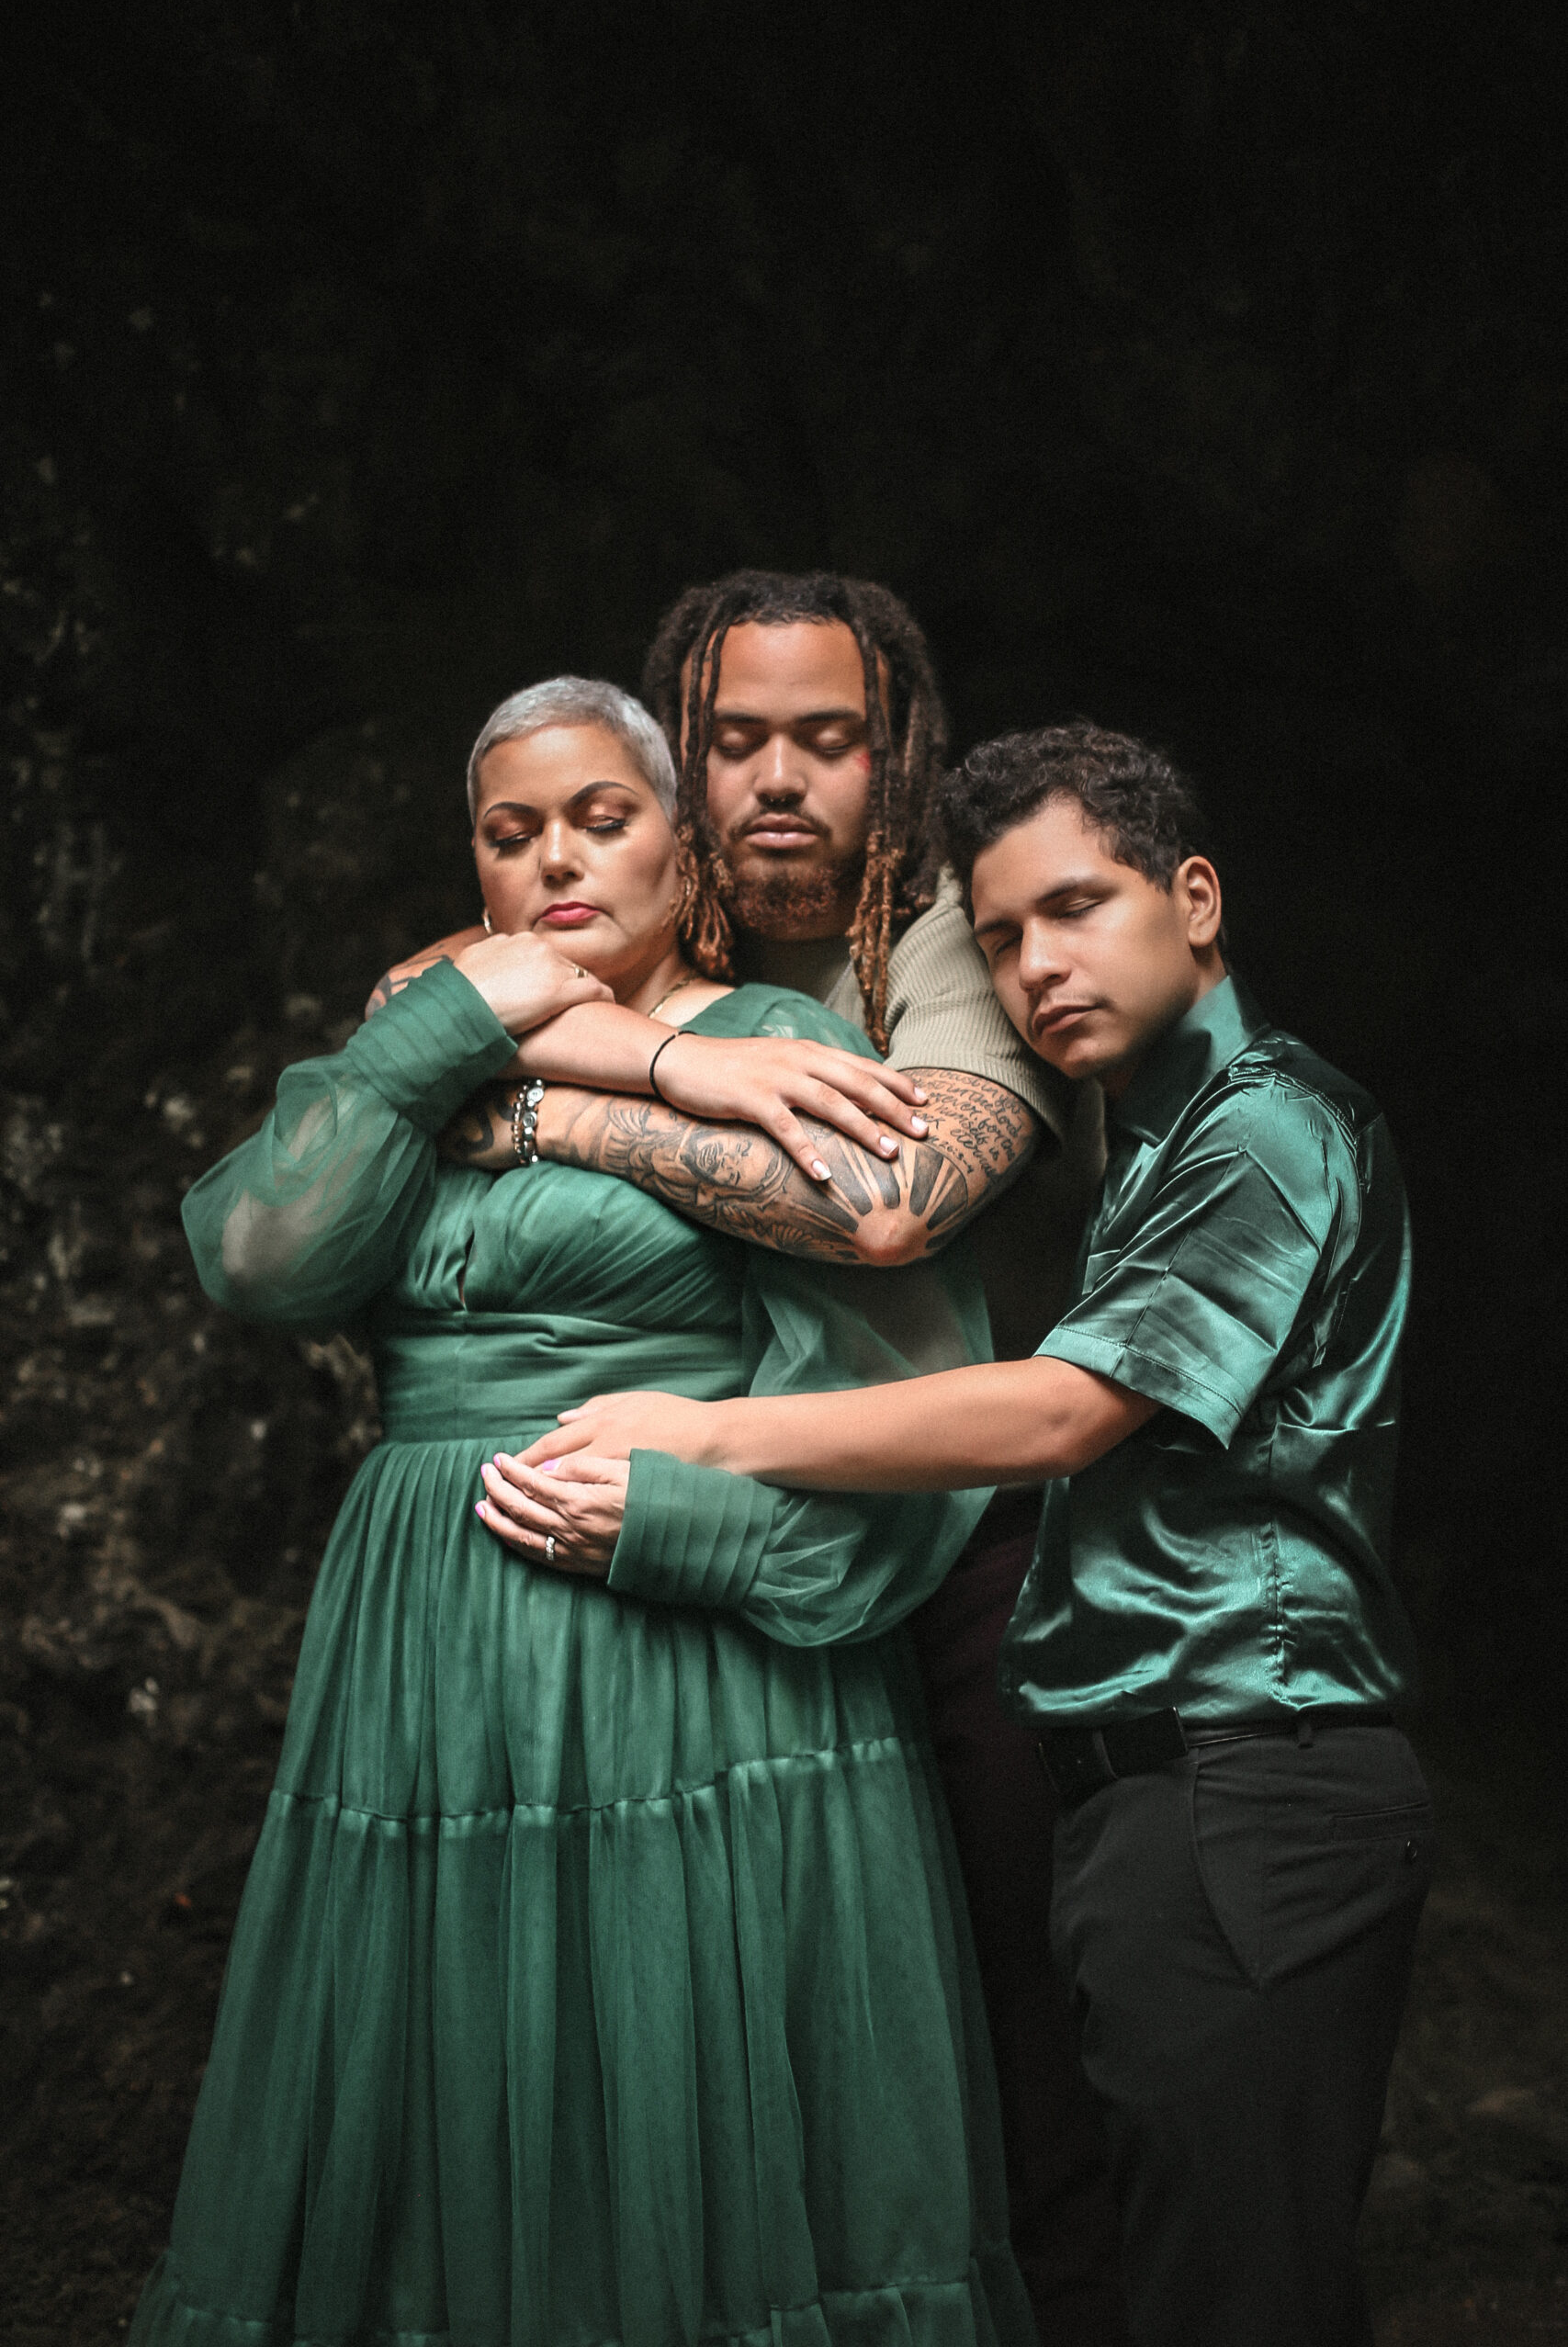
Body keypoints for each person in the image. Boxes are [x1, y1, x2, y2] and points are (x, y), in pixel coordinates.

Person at [499, 720, 1433, 2347]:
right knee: (1185, 2269)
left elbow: (1062, 1413)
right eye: (999, 939)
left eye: (1075, 909)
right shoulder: (1149, 1144)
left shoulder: (1273, 1123)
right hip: (1165, 1791)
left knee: (1239, 2298)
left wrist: (710, 1432)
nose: (1035, 967)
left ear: (1196, 899)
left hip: (1248, 1771)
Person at [128, 679, 1034, 2347]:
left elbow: (901, 1422)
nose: (556, 856)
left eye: (602, 821)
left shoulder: (795, 1054)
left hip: (697, 1668)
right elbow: (262, 1260)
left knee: (691, 2091)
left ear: (683, 854)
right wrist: (442, 1032)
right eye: (510, 831)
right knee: (445, 2085)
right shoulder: (412, 1054)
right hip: (426, 1652)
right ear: (472, 871)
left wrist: (682, 1527)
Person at [382, 573, 1123, 2345]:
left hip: (967, 1542)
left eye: (830, 738)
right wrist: (665, 1065)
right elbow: (409, 1012)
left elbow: (891, 1204)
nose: (781, 779)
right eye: (735, 741)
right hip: (706, 1535)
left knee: (1011, 2017)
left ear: (899, 758)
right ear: (670, 765)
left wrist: (556, 1098)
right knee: (735, 2014)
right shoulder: (602, 897)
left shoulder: (949, 935)